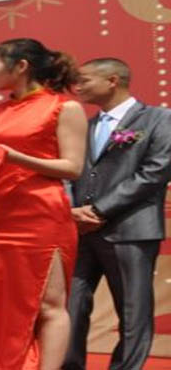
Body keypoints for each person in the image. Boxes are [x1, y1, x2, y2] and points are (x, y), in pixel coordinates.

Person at [0, 38, 86, 369]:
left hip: (39, 213)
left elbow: (72, 167)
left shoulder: (63, 107)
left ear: (21, 66)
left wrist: (15, 157)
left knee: (49, 304)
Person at [64, 58, 171, 370]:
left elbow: (155, 172)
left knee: (132, 309)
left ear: (112, 80)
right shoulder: (86, 125)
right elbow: (71, 172)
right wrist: (73, 211)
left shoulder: (159, 118)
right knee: (70, 305)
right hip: (80, 230)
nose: (77, 87)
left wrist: (100, 209)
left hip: (130, 229)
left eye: (84, 80)